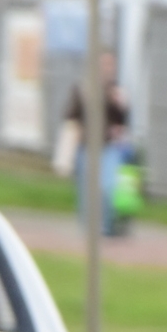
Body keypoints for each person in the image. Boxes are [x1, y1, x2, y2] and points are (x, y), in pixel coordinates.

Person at [63, 51, 133, 237]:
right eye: (104, 64)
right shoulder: (82, 87)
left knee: (107, 187)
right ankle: (87, 230)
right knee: (86, 190)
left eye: (111, 65)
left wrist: (118, 103)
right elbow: (71, 115)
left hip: (108, 147)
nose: (107, 69)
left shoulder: (116, 90)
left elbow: (123, 119)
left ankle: (106, 228)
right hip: (86, 146)